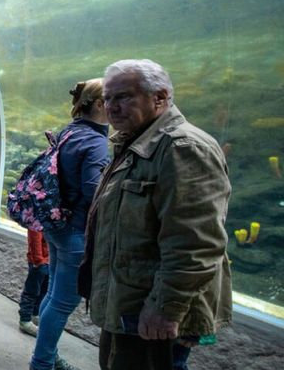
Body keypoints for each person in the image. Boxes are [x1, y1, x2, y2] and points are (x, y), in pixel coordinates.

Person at [84, 60, 231, 370]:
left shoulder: (183, 148)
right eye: (107, 98)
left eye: (123, 96)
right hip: (129, 305)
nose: (112, 106)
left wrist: (166, 308)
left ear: (160, 98)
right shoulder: (134, 143)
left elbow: (196, 244)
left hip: (152, 315)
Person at [30, 78, 110, 370]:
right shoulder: (97, 141)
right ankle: (41, 363)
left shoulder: (71, 131)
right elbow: (93, 190)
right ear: (101, 104)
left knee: (52, 295)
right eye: (113, 100)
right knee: (63, 302)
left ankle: (48, 356)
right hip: (76, 230)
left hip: (58, 224)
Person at [18, 230, 49, 337]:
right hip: (39, 262)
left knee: (43, 291)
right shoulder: (39, 218)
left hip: (49, 260)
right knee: (32, 291)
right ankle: (25, 320)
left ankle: (35, 314)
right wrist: (38, 260)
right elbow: (34, 235)